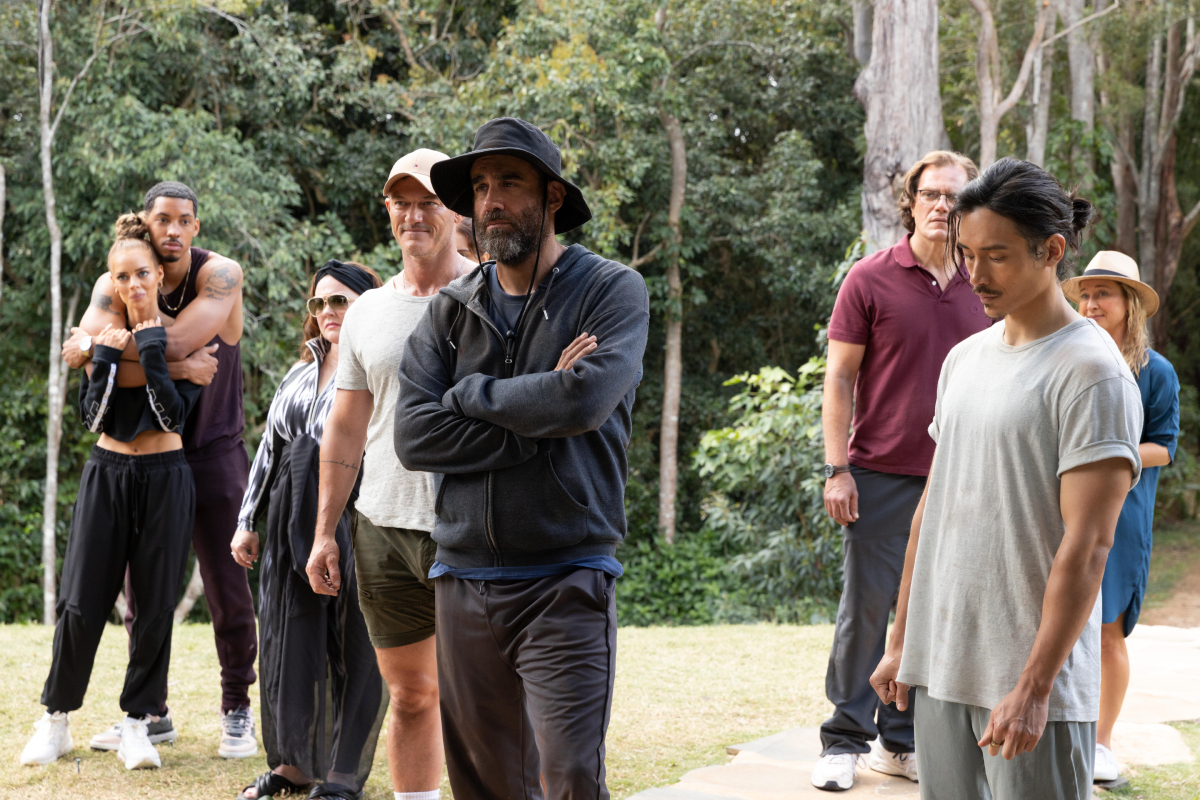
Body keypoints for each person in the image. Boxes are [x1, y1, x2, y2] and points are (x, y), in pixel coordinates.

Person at [392, 116, 649, 800]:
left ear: (553, 197)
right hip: (463, 577)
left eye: (509, 181)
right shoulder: (449, 312)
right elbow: (415, 437)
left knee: (568, 776)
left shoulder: (610, 291)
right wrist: (536, 413)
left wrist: (469, 394)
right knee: (486, 785)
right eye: (479, 186)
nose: (491, 200)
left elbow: (584, 401)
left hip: (568, 578)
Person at [870, 157, 1143, 800]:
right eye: (965, 253)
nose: (975, 274)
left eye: (996, 255)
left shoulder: (1091, 372)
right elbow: (931, 510)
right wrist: (902, 641)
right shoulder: (965, 358)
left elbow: (1088, 546)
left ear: (1051, 251)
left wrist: (1034, 686)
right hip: (943, 667)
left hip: (1029, 685)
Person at [62, 181, 259, 758]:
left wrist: (96, 346)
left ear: (196, 227)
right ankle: (151, 712)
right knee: (140, 594)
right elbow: (159, 353)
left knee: (227, 588)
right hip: (148, 454)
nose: (172, 230)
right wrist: (105, 346)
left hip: (213, 449)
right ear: (145, 225)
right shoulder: (122, 275)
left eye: (184, 221)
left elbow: (172, 340)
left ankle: (236, 709)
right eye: (162, 220)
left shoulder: (219, 274)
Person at [814, 150, 986, 790]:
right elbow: (839, 378)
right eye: (932, 195)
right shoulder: (870, 278)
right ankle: (843, 740)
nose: (943, 206)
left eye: (955, 197)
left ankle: (901, 739)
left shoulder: (988, 282)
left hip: (965, 479)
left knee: (940, 612)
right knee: (869, 609)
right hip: (881, 475)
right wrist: (838, 469)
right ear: (909, 203)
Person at [304, 148, 471, 800]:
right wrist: (325, 532)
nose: (414, 215)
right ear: (387, 210)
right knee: (409, 695)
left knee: (484, 698)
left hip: (469, 524)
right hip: (380, 526)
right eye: (401, 202)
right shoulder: (368, 309)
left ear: (455, 208)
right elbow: (346, 426)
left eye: (428, 200)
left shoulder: (492, 291)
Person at [21, 214, 202, 771]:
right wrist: (102, 355)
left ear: (157, 274)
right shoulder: (102, 333)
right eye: (121, 277)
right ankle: (56, 718)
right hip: (108, 472)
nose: (133, 285)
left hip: (167, 475)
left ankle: (137, 725)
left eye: (142, 273)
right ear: (111, 282)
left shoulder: (183, 335)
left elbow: (172, 414)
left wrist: (153, 350)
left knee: (154, 606)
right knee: (80, 600)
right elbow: (92, 416)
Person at [230, 260, 387, 800]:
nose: (327, 313)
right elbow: (270, 453)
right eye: (319, 304)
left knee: (356, 646)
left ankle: (344, 774)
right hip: (290, 519)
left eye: (340, 301)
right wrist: (248, 522)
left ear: (368, 303)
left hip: (358, 512)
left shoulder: (382, 367)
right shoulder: (299, 374)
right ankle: (294, 765)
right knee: (290, 640)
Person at [1062, 252, 1179, 783]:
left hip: (1123, 518)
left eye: (1103, 294)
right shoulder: (1063, 359)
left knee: (1108, 632)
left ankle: (1102, 744)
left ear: (1130, 304)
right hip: (1062, 512)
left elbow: (1164, 447)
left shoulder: (1156, 372)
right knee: (1057, 625)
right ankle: (1057, 733)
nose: (1091, 304)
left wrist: (1110, 452)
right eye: (1086, 294)